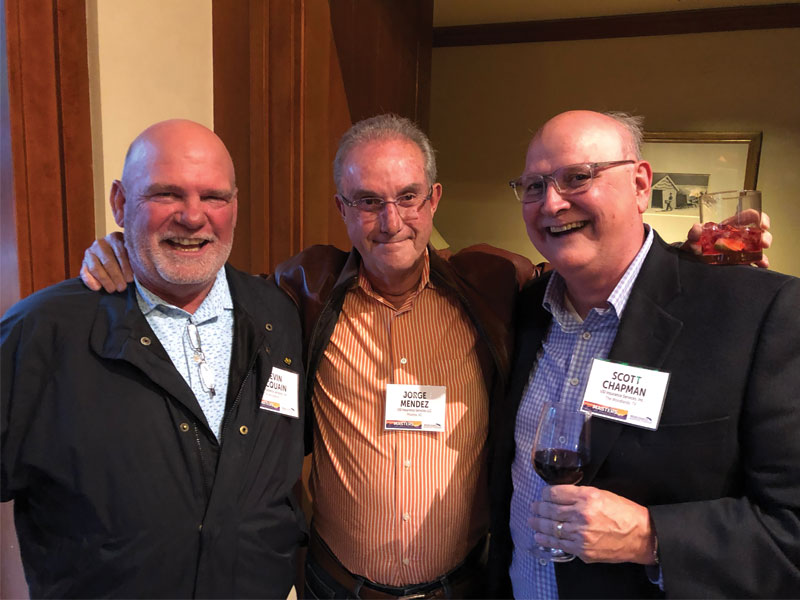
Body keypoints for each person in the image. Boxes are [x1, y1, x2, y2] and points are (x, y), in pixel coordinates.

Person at [81, 114, 540, 599]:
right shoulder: (304, 292)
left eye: (408, 197)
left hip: (463, 587)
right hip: (336, 587)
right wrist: (131, 249)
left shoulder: (490, 289)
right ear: (341, 208)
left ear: (434, 199)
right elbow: (205, 284)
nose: (391, 222)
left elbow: (573, 280)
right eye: (368, 201)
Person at [490, 110, 800, 598]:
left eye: (578, 177)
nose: (551, 203)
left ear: (640, 185)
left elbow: (790, 528)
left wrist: (652, 538)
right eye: (534, 186)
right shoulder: (526, 308)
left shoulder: (758, 312)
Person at [1, 120, 307, 598]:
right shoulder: (43, 331)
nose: (193, 216)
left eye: (214, 197)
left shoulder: (278, 316)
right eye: (167, 194)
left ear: (235, 206)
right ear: (120, 203)